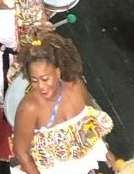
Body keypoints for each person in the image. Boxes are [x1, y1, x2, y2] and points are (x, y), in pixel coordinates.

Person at [12, 34, 114, 174]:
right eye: (34, 81)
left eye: (45, 79)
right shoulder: (29, 108)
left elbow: (89, 124)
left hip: (83, 164)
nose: (41, 86)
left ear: (58, 72)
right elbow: (21, 153)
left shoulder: (76, 86)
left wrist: (103, 149)